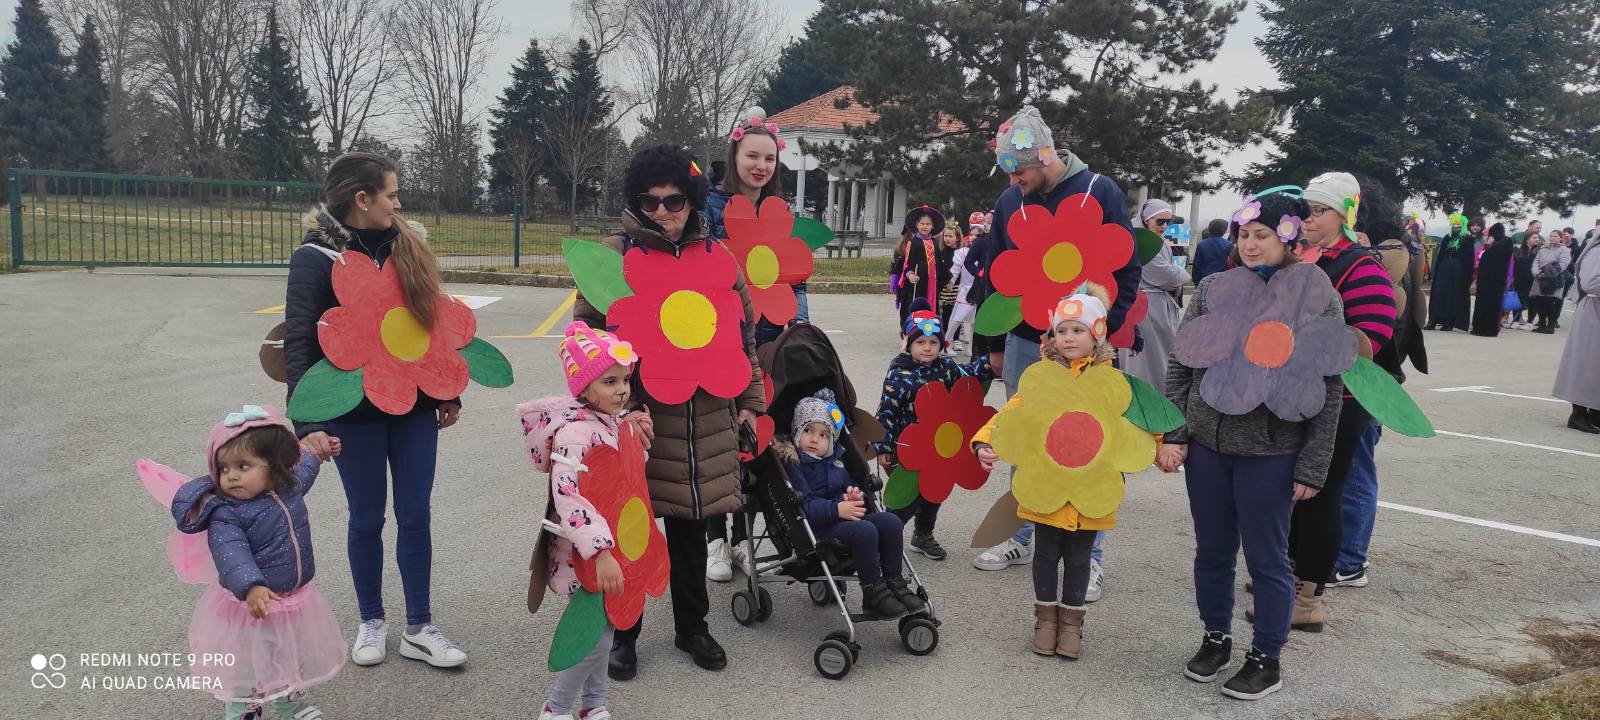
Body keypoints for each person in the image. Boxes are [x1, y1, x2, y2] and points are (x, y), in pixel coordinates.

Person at [572, 144, 766, 679]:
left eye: (674, 200)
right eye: (649, 202)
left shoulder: (719, 257)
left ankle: (692, 628)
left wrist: (751, 405)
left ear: (693, 198)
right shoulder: (615, 256)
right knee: (631, 532)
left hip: (705, 420)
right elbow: (583, 341)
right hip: (637, 422)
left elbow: (744, 338)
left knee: (690, 526)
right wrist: (614, 407)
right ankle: (625, 633)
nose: (662, 212)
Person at [1157, 192, 1345, 701]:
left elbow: (1327, 386)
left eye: (1262, 234)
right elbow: (1181, 364)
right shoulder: (1214, 287)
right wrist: (1176, 431)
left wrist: (1312, 463)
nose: (1251, 244)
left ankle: (1266, 656)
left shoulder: (1313, 294)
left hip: (1272, 452)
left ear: (1286, 237)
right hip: (1209, 447)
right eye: (1244, 235)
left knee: (1267, 559)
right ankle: (1215, 636)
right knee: (1212, 551)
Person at [283, 152, 468, 668]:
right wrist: (309, 423)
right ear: (361, 199)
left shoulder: (408, 247)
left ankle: (419, 627)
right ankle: (371, 621)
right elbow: (301, 342)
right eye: (390, 193)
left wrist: (446, 391)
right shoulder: (318, 257)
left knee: (415, 514)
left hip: (412, 408)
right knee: (366, 517)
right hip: (352, 413)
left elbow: (432, 329)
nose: (398, 202)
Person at [965, 105, 1143, 593]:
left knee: (1089, 443)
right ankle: (1024, 534)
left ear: (1042, 155)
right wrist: (992, 345)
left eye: (1017, 169)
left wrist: (1104, 334)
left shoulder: (1098, 191)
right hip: (1026, 342)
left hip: (1089, 351)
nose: (1012, 180)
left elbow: (1125, 269)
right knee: (1027, 437)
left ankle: (1092, 557)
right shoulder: (1009, 203)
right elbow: (995, 280)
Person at [971, 284, 1153, 659]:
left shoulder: (1112, 383)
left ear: (1097, 332)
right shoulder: (1042, 378)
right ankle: (1045, 621)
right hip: (1047, 486)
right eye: (1062, 330)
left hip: (1091, 488)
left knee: (1080, 558)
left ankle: (1072, 624)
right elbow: (1013, 414)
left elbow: (1142, 420)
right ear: (1052, 336)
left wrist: (1167, 446)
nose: (1068, 337)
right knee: (1045, 554)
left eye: (1078, 329)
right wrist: (985, 440)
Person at [170, 406, 346, 720]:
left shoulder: (288, 487)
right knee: (247, 663)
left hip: (290, 597)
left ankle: (290, 703)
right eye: (224, 469)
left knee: (287, 652)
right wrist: (251, 586)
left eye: (243, 465)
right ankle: (241, 710)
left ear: (275, 468)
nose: (232, 476)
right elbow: (231, 555)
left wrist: (318, 454)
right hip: (252, 604)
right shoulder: (225, 513)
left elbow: (304, 468)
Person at [521, 322, 650, 720]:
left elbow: (624, 484)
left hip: (613, 549)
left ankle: (594, 705)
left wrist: (637, 441)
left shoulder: (612, 423)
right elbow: (569, 496)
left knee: (606, 628)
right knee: (594, 634)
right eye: (610, 381)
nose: (622, 390)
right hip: (587, 552)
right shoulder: (575, 434)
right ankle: (556, 708)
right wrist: (601, 551)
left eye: (625, 380)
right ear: (584, 388)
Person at [1286, 171, 1395, 629]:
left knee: (1320, 494)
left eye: (1319, 211)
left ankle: (1309, 596)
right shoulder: (1300, 258)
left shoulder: (1361, 266)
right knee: (1291, 493)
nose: (1308, 220)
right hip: (1292, 393)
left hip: (1341, 400)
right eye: (1305, 209)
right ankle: (1290, 575)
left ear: (1344, 214)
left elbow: (1371, 339)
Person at [702, 111, 797, 584]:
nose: (760, 165)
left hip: (766, 343)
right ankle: (714, 540)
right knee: (716, 443)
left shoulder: (779, 211)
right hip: (719, 342)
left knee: (756, 442)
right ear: (734, 156)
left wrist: (795, 328)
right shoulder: (710, 208)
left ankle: (743, 538)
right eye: (751, 155)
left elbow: (791, 275)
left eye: (768, 157)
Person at [784, 389, 928, 617]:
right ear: (796, 431)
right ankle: (873, 592)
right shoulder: (795, 464)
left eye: (823, 435)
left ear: (831, 440)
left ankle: (894, 582)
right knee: (865, 530)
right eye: (808, 430)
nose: (814, 439)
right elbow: (806, 507)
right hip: (819, 528)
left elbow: (853, 487)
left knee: (890, 521)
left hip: (846, 517)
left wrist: (855, 496)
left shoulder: (837, 461)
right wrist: (836, 508)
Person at [873, 302, 996, 560]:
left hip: (938, 451)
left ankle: (923, 535)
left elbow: (969, 379)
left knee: (933, 493)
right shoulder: (899, 372)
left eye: (933, 342)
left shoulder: (946, 368)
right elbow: (886, 412)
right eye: (921, 342)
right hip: (907, 449)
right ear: (908, 344)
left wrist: (989, 362)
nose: (927, 348)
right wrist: (884, 446)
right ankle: (884, 537)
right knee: (906, 497)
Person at [1120, 199, 1191, 388]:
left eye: (1169, 221)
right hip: (1147, 308)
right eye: (1160, 221)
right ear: (1145, 220)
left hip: (1155, 305)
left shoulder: (1153, 241)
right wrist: (1182, 274)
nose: (1165, 226)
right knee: (1148, 356)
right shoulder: (1143, 243)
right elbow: (1166, 275)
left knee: (1157, 354)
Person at [1553, 237, 1600, 433]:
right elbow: (1591, 282)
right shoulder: (1597, 251)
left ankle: (1595, 412)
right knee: (1586, 363)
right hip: (1593, 311)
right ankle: (1579, 414)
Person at [895, 205, 949, 328]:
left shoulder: (934, 242)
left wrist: (948, 280)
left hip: (932, 284)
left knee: (932, 306)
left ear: (932, 226)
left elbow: (940, 262)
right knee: (917, 306)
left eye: (928, 224)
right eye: (922, 224)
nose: (925, 226)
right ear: (917, 225)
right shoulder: (914, 243)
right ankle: (912, 330)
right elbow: (907, 264)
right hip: (918, 285)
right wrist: (910, 275)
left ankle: (928, 330)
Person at [1425, 214, 1475, 331]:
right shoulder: (1447, 237)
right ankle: (1433, 320)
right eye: (1454, 225)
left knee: (1452, 296)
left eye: (1458, 226)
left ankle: (1449, 322)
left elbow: (1469, 260)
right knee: (1438, 293)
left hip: (1457, 270)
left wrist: (1467, 277)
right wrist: (1435, 273)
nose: (1456, 228)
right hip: (1444, 268)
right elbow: (1441, 255)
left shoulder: (1467, 239)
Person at [947, 213, 983, 354]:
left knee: (976, 321)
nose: (974, 237)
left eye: (977, 235)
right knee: (957, 318)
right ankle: (947, 343)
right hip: (966, 291)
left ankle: (971, 348)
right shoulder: (962, 252)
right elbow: (955, 270)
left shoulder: (985, 251)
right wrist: (950, 282)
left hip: (980, 290)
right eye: (972, 234)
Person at [1471, 223, 1514, 337]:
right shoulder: (1498, 243)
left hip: (1495, 281)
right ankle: (1478, 327)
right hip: (1486, 280)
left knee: (1492, 306)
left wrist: (1488, 244)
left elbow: (1488, 256)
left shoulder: (1505, 242)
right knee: (1482, 304)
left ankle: (1489, 329)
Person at [1530, 234, 1572, 334]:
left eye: (1555, 236)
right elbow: (1536, 262)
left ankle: (1550, 326)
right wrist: (1537, 273)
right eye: (1551, 236)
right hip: (1540, 279)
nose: (1552, 238)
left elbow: (1563, 264)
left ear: (1560, 238)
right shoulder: (1543, 249)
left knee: (1549, 303)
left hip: (1553, 280)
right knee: (1540, 302)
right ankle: (1541, 324)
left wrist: (1548, 273)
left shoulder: (1564, 250)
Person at [937, 220, 965, 330]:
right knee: (946, 312)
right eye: (946, 236)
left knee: (957, 313)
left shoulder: (961, 253)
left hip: (957, 287)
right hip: (946, 288)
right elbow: (942, 269)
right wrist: (946, 282)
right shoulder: (942, 253)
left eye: (950, 236)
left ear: (957, 238)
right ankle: (945, 334)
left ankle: (957, 338)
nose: (947, 238)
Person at [1191, 218, 1233, 285]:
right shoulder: (1228, 245)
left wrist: (1195, 280)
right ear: (1223, 230)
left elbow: (1197, 264)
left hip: (1204, 279)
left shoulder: (1201, 244)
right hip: (1221, 279)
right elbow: (1231, 264)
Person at [1513, 232, 1542, 330]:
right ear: (1527, 239)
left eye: (1537, 238)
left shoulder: (1539, 252)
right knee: (1518, 299)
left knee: (1533, 300)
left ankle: (1529, 321)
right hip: (1519, 279)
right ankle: (1515, 320)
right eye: (1534, 237)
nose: (1537, 239)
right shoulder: (1519, 250)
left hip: (1534, 280)